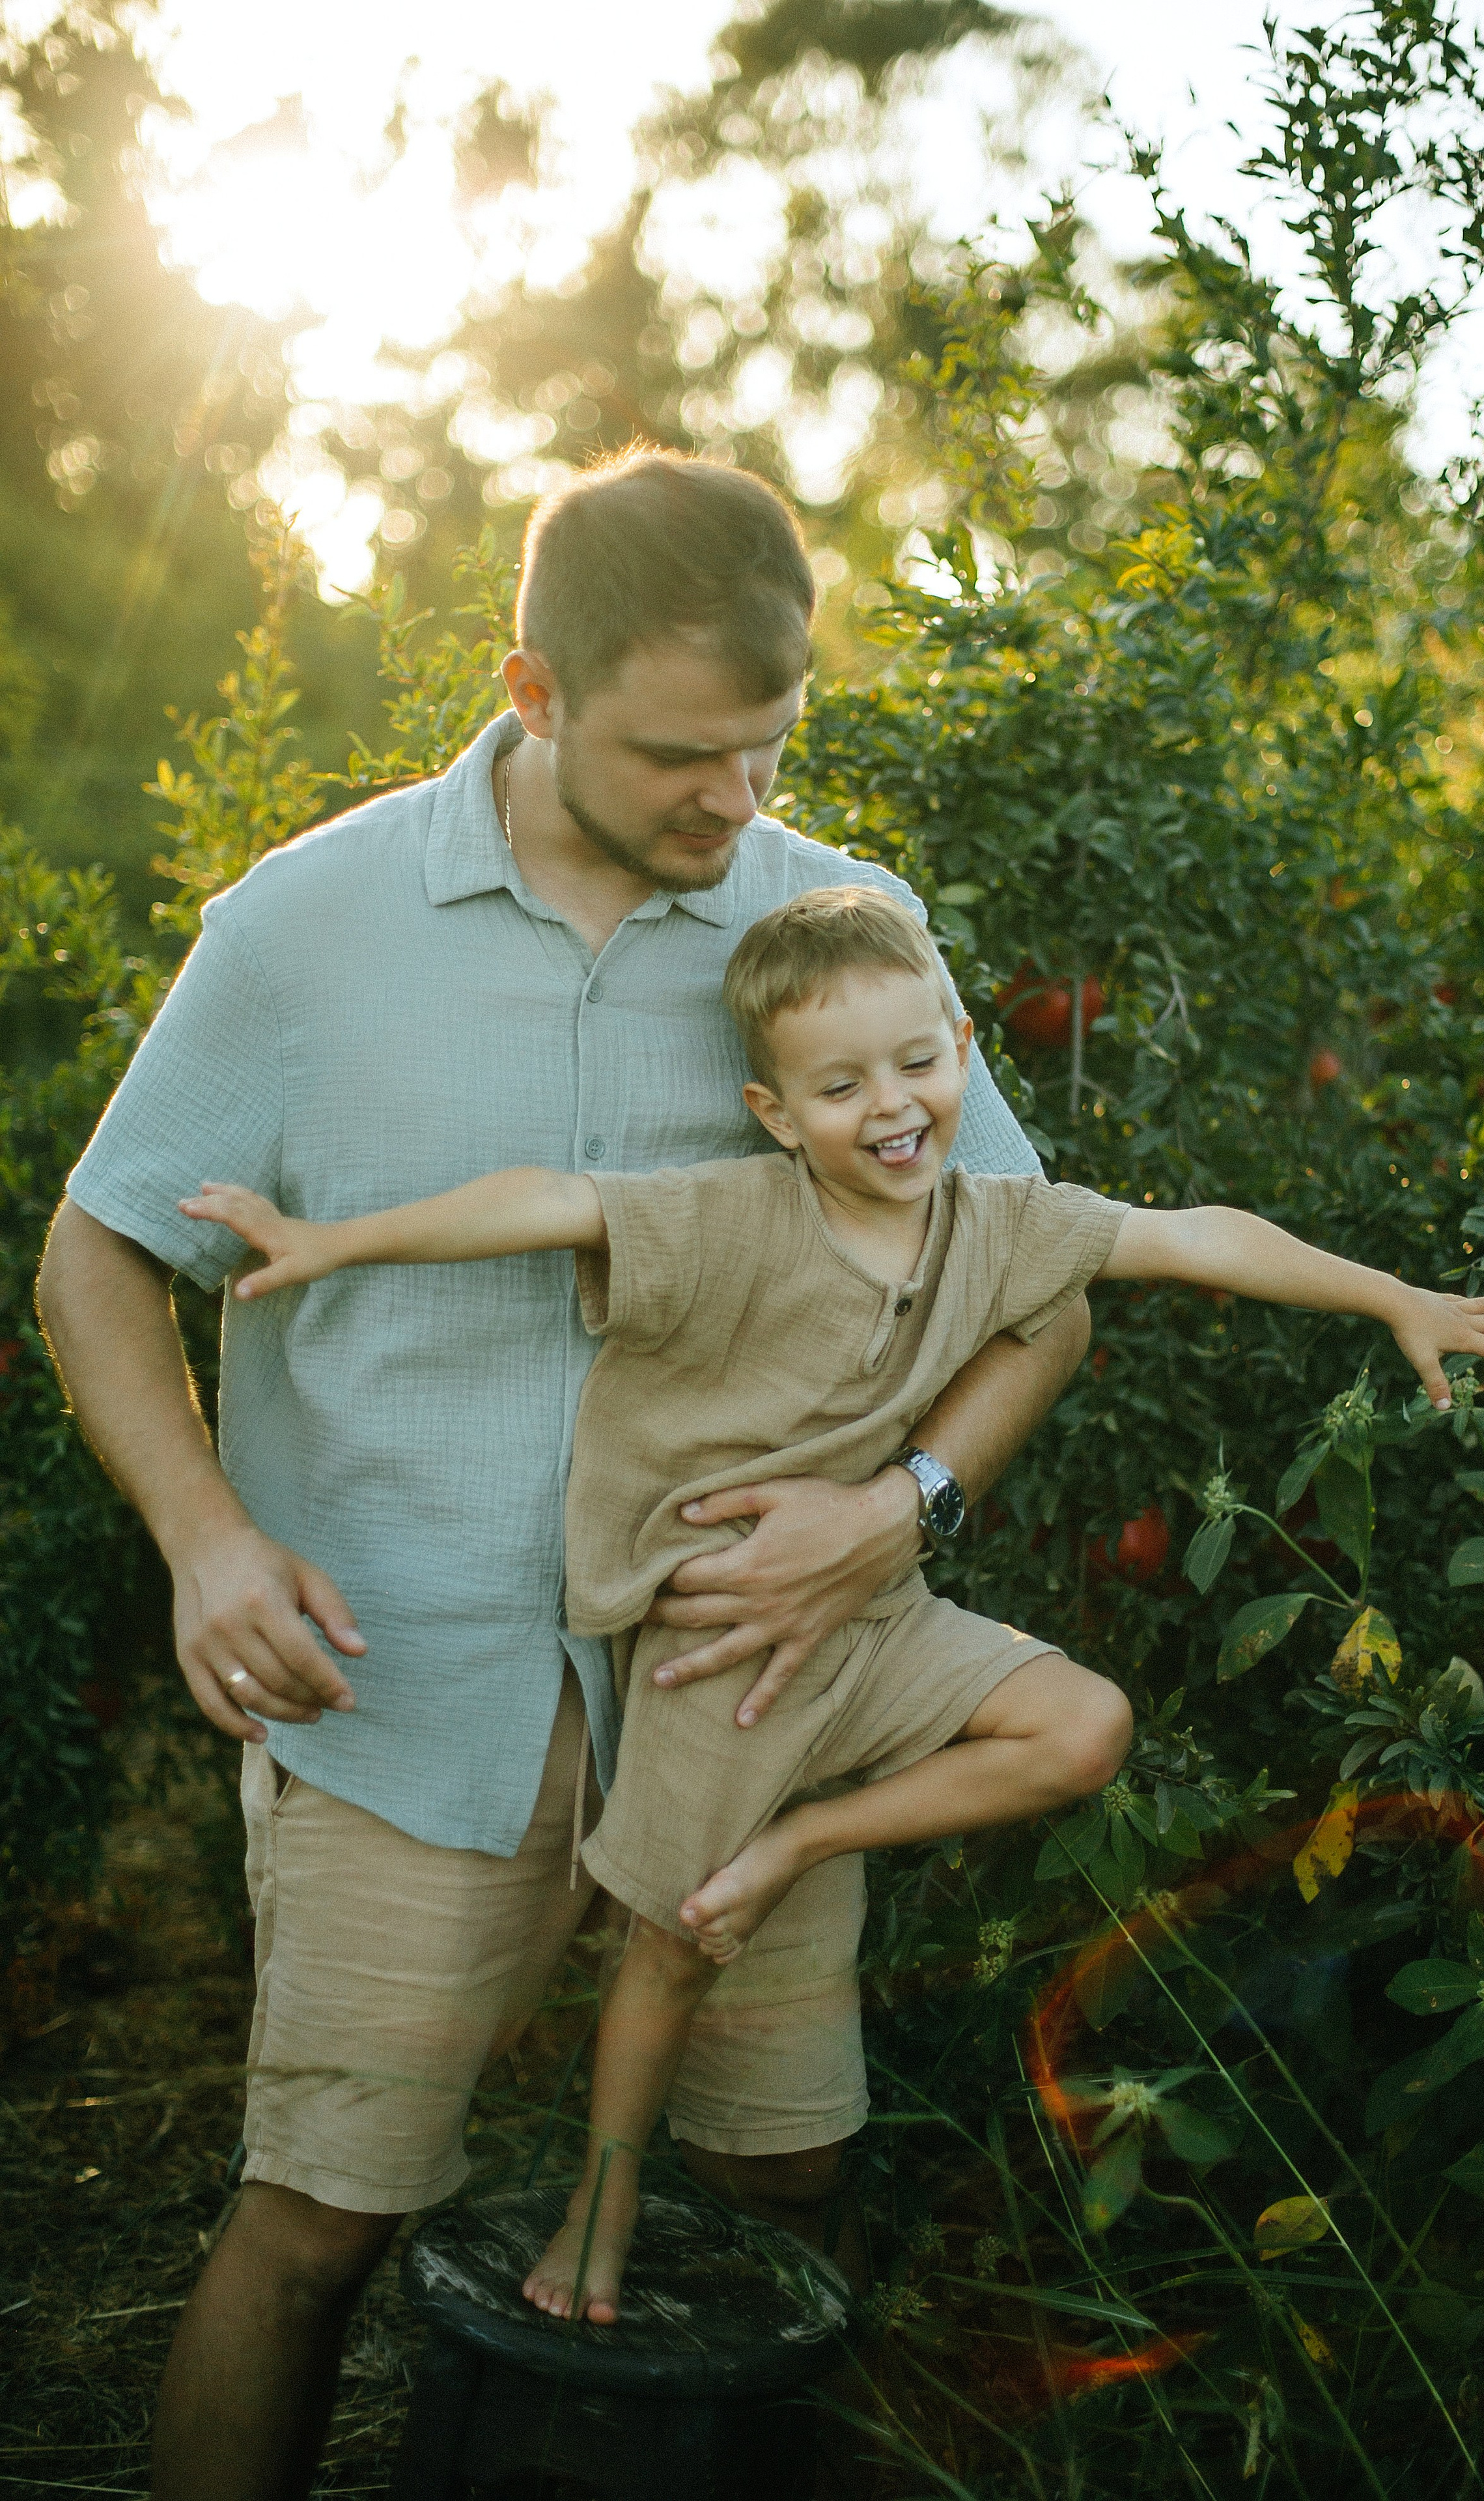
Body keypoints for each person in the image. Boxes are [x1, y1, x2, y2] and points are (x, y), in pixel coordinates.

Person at [32, 453, 1090, 2501]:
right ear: (533, 691)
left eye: (773, 744)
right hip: (404, 1689)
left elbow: (1035, 1287)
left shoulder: (834, 925)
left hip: (754, 1690)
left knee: (785, 2199)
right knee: (314, 2227)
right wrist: (207, 1539)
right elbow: (97, 1252)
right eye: (681, 755)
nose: (736, 800)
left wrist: (899, 1514)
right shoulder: (307, 928)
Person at [180, 882, 1484, 2325]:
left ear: (962, 1050)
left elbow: (1200, 1235)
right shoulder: (737, 1220)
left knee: (1084, 1727)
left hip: (876, 1615)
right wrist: (333, 1243)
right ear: (774, 1114)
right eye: (840, 1088)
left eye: (916, 1064)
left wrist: (1394, 1298)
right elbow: (548, 1203)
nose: (890, 1107)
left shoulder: (1001, 1225)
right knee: (674, 1942)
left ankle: (802, 1839)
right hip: (726, 1639)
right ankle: (602, 2207)